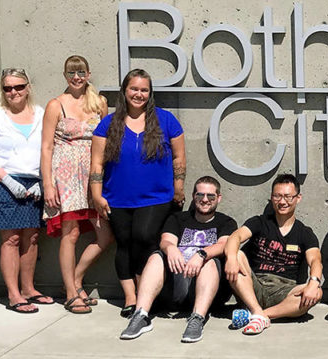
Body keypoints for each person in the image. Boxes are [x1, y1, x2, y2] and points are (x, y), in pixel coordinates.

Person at [90, 69, 186, 318]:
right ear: (124, 91)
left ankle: (147, 295)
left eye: (144, 90)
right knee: (124, 244)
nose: (139, 94)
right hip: (117, 197)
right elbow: (97, 164)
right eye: (134, 88)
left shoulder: (166, 120)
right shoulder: (107, 124)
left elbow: (179, 157)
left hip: (157, 197)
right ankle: (131, 298)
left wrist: (178, 187)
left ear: (150, 93)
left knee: (144, 239)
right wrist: (97, 195)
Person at [120, 176, 237, 343]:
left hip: (208, 288)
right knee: (156, 257)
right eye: (200, 195)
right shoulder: (178, 219)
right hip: (176, 285)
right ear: (193, 196)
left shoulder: (226, 222)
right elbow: (166, 240)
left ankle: (197, 318)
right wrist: (171, 248)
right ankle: (141, 316)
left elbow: (223, 245)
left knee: (211, 261)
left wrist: (201, 254)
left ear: (219, 198)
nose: (205, 200)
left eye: (210, 196)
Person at [41, 55, 115, 314]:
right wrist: (47, 184)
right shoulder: (55, 105)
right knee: (70, 233)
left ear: (88, 73)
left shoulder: (100, 103)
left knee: (105, 235)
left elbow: (107, 139)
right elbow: (47, 146)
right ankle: (71, 294)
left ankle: (75, 280)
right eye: (71, 73)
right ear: (64, 76)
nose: (76, 77)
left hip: (94, 174)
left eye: (81, 72)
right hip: (66, 174)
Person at [0, 68, 52, 313]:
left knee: (31, 238)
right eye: (8, 88)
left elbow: (50, 147)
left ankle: (29, 289)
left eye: (19, 86)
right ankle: (13, 294)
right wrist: (8, 181)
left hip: (36, 183)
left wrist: (45, 181)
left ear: (28, 87)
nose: (14, 92)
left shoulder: (42, 114)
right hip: (6, 182)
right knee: (11, 239)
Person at [223, 174, 323, 335]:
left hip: (285, 290)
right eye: (277, 196)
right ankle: (257, 310)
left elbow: (316, 260)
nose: (282, 202)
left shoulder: (305, 233)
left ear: (298, 198)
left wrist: (314, 282)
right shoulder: (259, 222)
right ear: (271, 197)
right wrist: (231, 258)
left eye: (288, 197)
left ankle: (257, 315)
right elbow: (236, 236)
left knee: (317, 292)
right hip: (254, 286)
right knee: (238, 255)